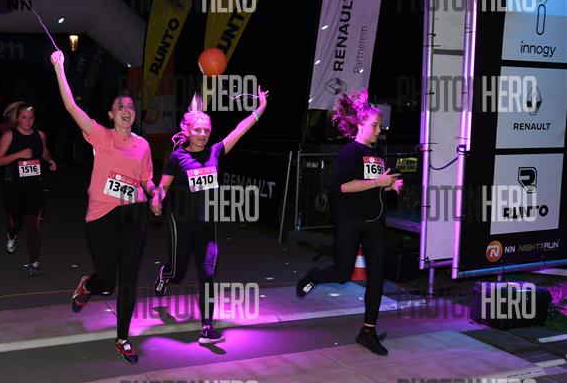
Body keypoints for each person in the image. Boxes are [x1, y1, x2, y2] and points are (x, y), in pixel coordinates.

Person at [51, 50, 157, 364]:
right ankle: (89, 284)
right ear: (111, 114)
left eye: (131, 107)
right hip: (101, 214)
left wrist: (154, 194)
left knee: (129, 278)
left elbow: (147, 179)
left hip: (133, 213)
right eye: (120, 107)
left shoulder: (143, 145)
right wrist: (59, 68)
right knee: (107, 281)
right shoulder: (100, 136)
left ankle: (123, 338)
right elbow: (71, 107)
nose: (126, 110)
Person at [150, 88, 269, 344]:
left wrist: (260, 108)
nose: (202, 134)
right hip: (181, 225)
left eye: (206, 130)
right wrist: (157, 199)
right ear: (187, 131)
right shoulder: (177, 158)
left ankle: (207, 327)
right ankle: (165, 274)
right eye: (197, 130)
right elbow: (163, 186)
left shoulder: (215, 151)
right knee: (178, 273)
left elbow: (239, 130)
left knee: (208, 273)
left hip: (207, 226)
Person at [298, 89, 402, 356]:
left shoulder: (377, 153)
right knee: (342, 274)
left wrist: (390, 186)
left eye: (380, 126)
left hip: (375, 222)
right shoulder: (349, 152)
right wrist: (378, 182)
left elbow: (374, 185)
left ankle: (368, 331)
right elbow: (345, 187)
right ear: (360, 125)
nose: (379, 130)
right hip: (349, 221)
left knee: (377, 276)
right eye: (375, 125)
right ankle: (314, 276)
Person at [0, 102, 57, 276]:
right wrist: (19, 155)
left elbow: (44, 152)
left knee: (33, 225)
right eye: (24, 118)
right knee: (15, 220)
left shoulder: (40, 135)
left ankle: (34, 263)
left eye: (31, 118)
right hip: (14, 186)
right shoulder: (9, 135)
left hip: (34, 187)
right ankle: (12, 235)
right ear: (17, 118)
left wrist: (50, 160)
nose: (28, 121)